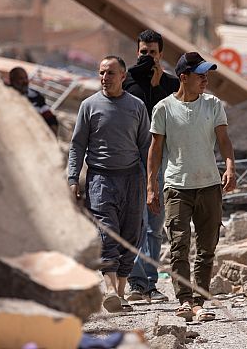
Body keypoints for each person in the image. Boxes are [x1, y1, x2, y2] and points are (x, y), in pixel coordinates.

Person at [147, 52, 237, 322]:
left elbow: (224, 140)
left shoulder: (212, 105)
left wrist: (230, 167)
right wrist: (152, 186)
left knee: (207, 246)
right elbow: (155, 149)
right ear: (183, 78)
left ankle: (200, 299)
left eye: (206, 74)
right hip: (176, 186)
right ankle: (185, 300)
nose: (205, 79)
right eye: (200, 75)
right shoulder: (163, 108)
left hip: (209, 185)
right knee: (179, 246)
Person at [67, 56, 150, 313]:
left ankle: (120, 292)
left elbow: (146, 146)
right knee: (107, 233)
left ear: (123, 76)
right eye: (102, 73)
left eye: (110, 73)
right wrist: (72, 177)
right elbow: (77, 145)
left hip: (132, 178)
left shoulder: (136, 106)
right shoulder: (89, 106)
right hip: (100, 179)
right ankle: (110, 289)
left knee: (131, 234)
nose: (105, 78)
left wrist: (151, 183)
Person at [124, 29, 180, 303]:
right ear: (137, 52)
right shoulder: (125, 82)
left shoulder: (169, 85)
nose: (147, 58)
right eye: (143, 53)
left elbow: (171, 119)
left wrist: (157, 84)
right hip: (131, 163)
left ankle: (149, 281)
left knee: (155, 225)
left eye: (152, 53)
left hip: (159, 163)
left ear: (161, 55)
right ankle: (135, 283)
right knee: (134, 224)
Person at [8, 67, 59, 134]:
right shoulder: (7, 95)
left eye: (26, 78)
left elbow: (49, 116)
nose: (25, 81)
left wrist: (53, 127)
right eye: (21, 79)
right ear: (12, 81)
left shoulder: (36, 96)